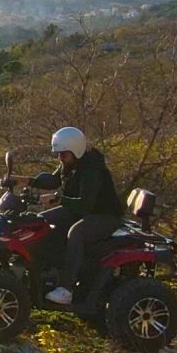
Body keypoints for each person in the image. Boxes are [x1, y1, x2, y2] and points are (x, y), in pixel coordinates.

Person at [18, 127, 123, 304]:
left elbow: (85, 204)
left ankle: (66, 288)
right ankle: (40, 269)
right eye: (59, 154)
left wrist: (59, 200)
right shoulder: (71, 163)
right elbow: (53, 180)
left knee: (77, 232)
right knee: (40, 221)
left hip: (104, 216)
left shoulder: (92, 170)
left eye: (63, 155)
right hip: (83, 211)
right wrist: (26, 181)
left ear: (76, 150)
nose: (60, 158)